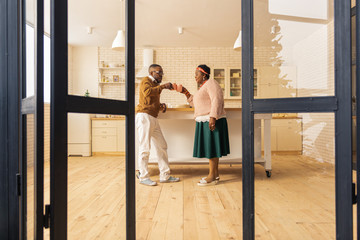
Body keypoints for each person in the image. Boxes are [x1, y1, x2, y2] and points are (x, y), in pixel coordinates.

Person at [173, 64, 230, 186]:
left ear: (204, 75)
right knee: (212, 148)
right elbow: (196, 103)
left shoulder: (211, 83)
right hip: (205, 119)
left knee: (211, 149)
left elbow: (217, 100)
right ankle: (215, 174)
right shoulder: (203, 87)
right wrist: (185, 92)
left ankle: (211, 176)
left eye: (197, 74)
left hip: (210, 119)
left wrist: (213, 117)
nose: (195, 76)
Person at [135, 64, 180, 186]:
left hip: (153, 118)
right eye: (159, 72)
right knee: (145, 148)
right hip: (144, 117)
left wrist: (161, 106)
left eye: (162, 73)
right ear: (151, 72)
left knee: (162, 145)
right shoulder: (146, 80)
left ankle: (165, 175)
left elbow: (150, 101)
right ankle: (143, 177)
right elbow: (147, 93)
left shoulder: (154, 84)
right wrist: (163, 86)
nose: (161, 75)